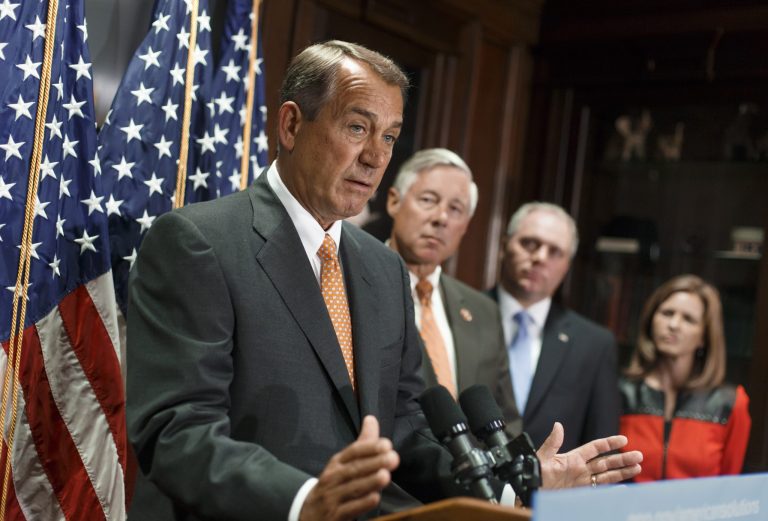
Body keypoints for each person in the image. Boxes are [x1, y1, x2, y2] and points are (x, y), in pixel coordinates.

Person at [126, 41, 641, 521]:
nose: (375, 157)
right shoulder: (199, 242)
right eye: (357, 128)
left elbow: (407, 428)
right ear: (290, 125)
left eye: (390, 136)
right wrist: (304, 500)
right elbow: (176, 431)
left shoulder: (381, 267)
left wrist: (512, 491)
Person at [385, 148, 521, 434]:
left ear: (466, 227)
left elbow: (506, 419)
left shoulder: (483, 310)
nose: (441, 218)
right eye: (428, 200)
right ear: (394, 201)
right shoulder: (355, 286)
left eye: (455, 209)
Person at [490, 202, 620, 452]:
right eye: (530, 244)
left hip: (552, 490)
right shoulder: (462, 316)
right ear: (504, 245)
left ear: (567, 266)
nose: (540, 258)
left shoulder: (593, 344)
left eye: (555, 252)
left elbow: (602, 448)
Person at [619, 274, 751, 481]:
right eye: (667, 313)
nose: (673, 324)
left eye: (688, 319)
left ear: (704, 337)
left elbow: (728, 488)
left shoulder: (730, 402)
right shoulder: (621, 392)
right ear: (651, 319)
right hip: (627, 512)